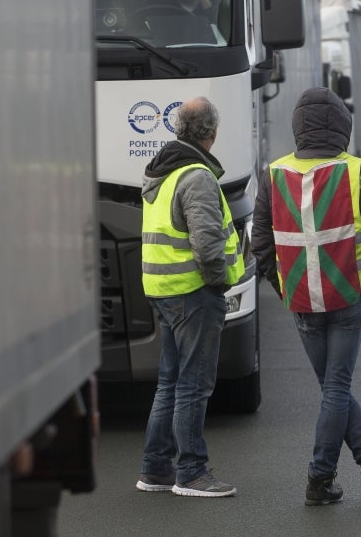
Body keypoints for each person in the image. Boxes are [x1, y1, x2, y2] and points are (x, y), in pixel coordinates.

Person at [252, 87, 361, 506]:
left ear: (297, 128)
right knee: (337, 387)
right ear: (344, 125)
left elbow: (260, 246)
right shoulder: (360, 172)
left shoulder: (274, 174)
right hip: (348, 298)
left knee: (332, 387)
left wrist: (284, 287)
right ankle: (319, 477)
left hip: (302, 302)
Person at [136, 96, 244, 497]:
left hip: (163, 291)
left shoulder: (161, 171)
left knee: (170, 383)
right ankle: (192, 473)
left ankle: (155, 469)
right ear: (212, 134)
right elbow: (207, 246)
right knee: (193, 386)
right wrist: (218, 283)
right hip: (193, 294)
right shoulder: (196, 176)